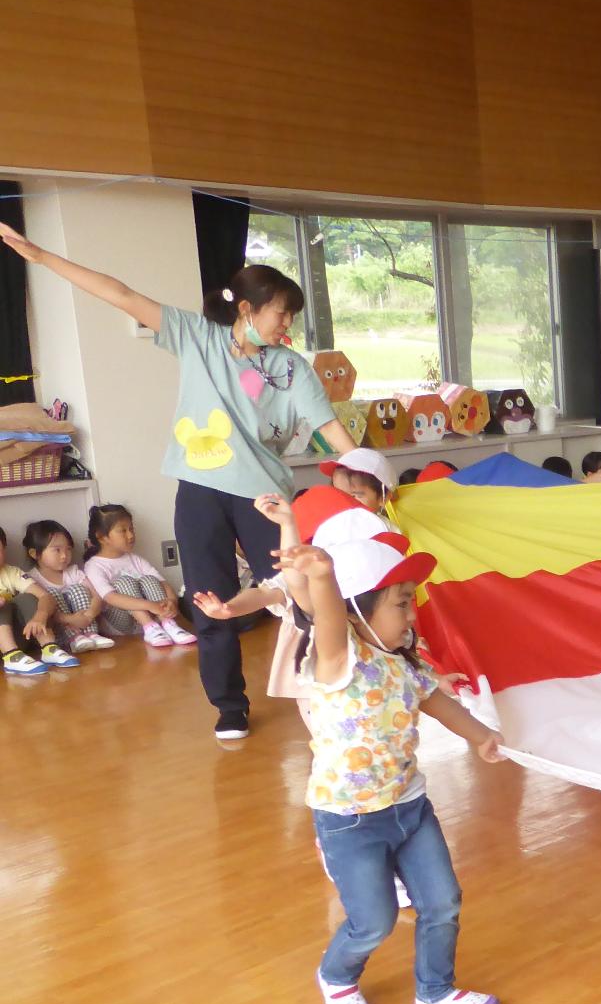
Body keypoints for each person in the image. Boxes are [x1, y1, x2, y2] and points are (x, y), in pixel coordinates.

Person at [1, 226, 356, 740]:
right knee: (211, 600)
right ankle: (229, 707)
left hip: (267, 499)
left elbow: (327, 425)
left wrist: (366, 473)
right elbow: (119, 293)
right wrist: (38, 255)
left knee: (298, 594)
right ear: (248, 310)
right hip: (201, 490)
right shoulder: (198, 337)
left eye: (292, 315)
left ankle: (329, 685)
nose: (288, 323)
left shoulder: (290, 366)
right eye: (281, 311)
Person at [286, 533, 505, 1004]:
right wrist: (322, 575)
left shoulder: (404, 664)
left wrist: (480, 736)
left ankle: (435, 989)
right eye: (401, 604)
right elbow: (328, 617)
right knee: (373, 922)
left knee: (442, 901)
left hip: (410, 807)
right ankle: (337, 975)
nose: (411, 616)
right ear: (359, 610)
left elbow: (438, 702)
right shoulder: (339, 662)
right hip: (350, 820)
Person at [81, 504, 197, 644]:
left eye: (131, 529)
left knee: (149, 578)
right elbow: (110, 598)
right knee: (124, 581)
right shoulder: (94, 565)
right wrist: (149, 605)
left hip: (153, 615)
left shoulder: (135, 559)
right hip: (121, 625)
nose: (130, 535)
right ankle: (149, 627)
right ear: (102, 537)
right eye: (122, 531)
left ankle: (168, 623)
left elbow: (162, 582)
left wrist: (172, 601)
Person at [21, 520, 115, 654]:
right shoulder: (31, 579)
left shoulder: (73, 572)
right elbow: (36, 611)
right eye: (57, 550)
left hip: (86, 625)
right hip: (56, 634)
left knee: (78, 589)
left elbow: (97, 595)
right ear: (34, 553)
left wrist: (88, 616)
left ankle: (91, 635)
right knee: (51, 595)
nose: (64, 556)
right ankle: (74, 638)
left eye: (68, 549)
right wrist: (71, 620)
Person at [1, 525, 76, 674]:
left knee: (28, 597)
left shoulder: (11, 573)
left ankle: (49, 648)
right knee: (3, 606)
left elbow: (46, 597)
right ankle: (11, 656)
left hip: (20, 638)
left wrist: (40, 616)